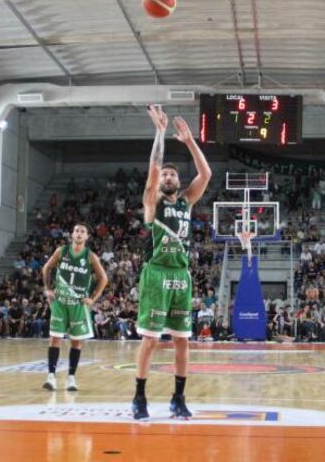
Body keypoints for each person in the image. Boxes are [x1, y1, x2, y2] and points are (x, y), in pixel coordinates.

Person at [132, 105, 211, 421]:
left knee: (182, 341)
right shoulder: (152, 202)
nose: (167, 176)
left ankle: (178, 398)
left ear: (178, 181)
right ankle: (139, 397)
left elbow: (205, 174)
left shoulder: (188, 201)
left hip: (181, 274)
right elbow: (151, 172)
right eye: (165, 173)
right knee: (150, 340)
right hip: (156, 274)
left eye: (172, 174)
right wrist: (160, 132)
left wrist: (190, 142)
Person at [41, 222, 107, 391]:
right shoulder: (61, 251)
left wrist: (93, 298)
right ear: (72, 234)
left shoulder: (90, 256)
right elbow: (47, 268)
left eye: (82, 231)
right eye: (76, 230)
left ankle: (71, 378)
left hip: (78, 303)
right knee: (55, 338)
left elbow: (103, 279)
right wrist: (48, 288)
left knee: (76, 342)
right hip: (60, 302)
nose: (78, 233)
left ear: (87, 237)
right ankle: (51, 376)